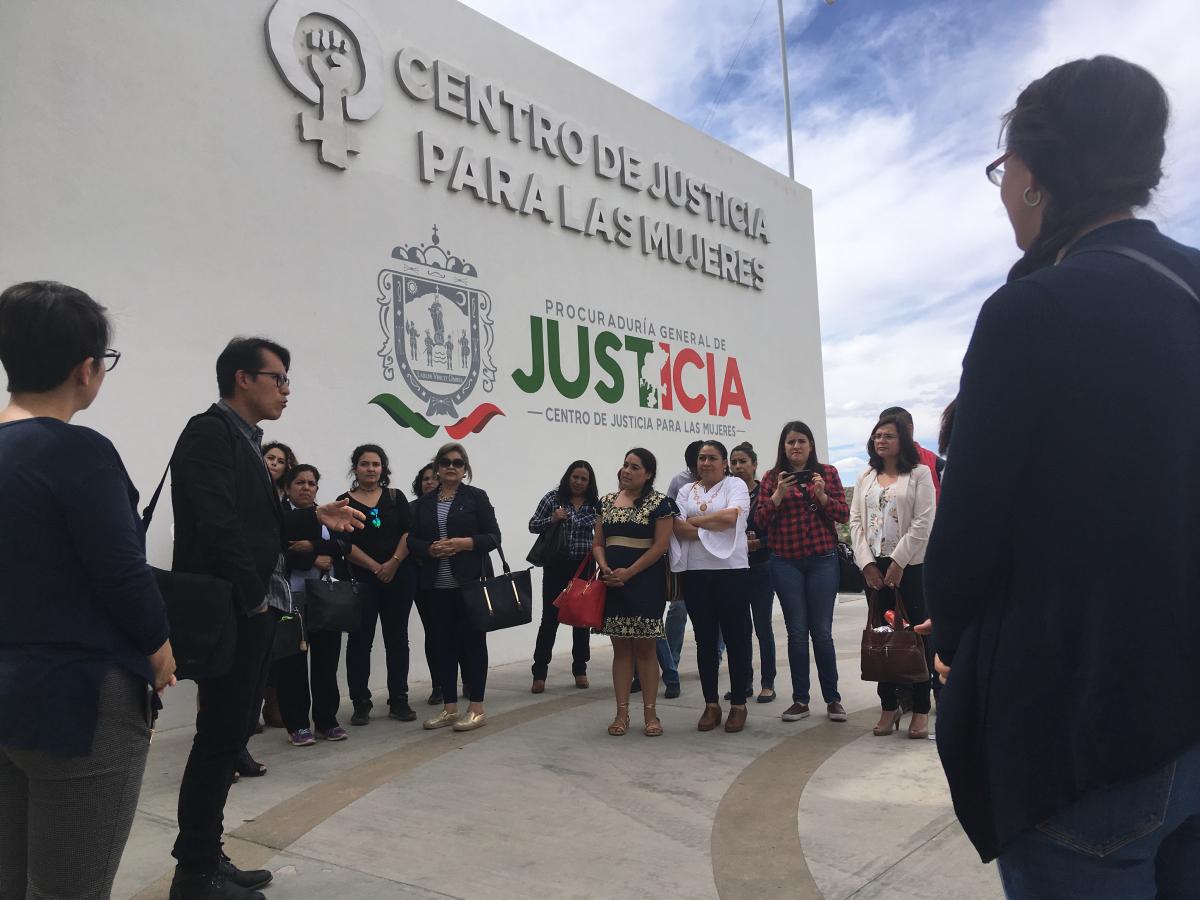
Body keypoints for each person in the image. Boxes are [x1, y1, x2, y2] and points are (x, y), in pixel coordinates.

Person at [925, 56, 1200, 896]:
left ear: (1035, 177)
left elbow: (966, 540)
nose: (1003, 188)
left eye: (1003, 169)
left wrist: (945, 640)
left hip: (1085, 730)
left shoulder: (1031, 311)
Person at [168, 336, 362, 900]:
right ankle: (195, 872)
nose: (286, 389)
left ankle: (205, 854)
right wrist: (253, 596)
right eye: (278, 378)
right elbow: (216, 522)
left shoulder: (246, 440)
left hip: (254, 608)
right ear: (243, 379)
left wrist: (307, 513)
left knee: (228, 736)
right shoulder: (209, 432)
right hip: (236, 608)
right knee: (218, 738)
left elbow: (255, 519)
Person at [0, 281, 176, 900]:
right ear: (87, 369)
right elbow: (122, 570)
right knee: (70, 886)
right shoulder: (78, 451)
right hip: (77, 700)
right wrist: (159, 651)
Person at [755, 420, 850, 724]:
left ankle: (833, 699)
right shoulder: (772, 478)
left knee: (822, 633)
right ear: (783, 447)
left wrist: (821, 496)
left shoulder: (829, 473)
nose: (796, 447)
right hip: (785, 562)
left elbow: (843, 514)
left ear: (810, 445)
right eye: (790, 442)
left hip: (823, 559)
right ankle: (800, 700)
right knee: (797, 633)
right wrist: (778, 494)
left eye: (801, 441)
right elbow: (760, 520)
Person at [849, 415, 936, 739]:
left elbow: (924, 522)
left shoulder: (919, 474)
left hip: (910, 568)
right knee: (882, 635)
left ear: (903, 441)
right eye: (876, 435)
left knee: (915, 636)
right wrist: (867, 564)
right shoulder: (866, 476)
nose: (880, 440)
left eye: (888, 435)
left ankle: (921, 708)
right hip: (873, 570)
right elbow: (855, 521)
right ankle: (889, 705)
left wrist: (898, 562)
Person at [409, 442, 501, 732]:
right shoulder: (424, 503)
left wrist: (464, 543)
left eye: (457, 463)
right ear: (437, 466)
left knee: (473, 644)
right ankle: (449, 708)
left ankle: (476, 708)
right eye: (446, 461)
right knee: (442, 645)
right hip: (435, 586)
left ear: (465, 469)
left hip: (469, 584)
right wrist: (429, 549)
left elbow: (493, 537)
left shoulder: (476, 498)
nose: (451, 466)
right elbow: (411, 541)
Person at [593, 448, 677, 737]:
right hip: (613, 584)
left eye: (635, 467)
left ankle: (651, 715)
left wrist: (630, 572)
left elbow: (660, 547)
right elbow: (598, 543)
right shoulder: (605, 502)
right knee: (620, 651)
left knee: (645, 649)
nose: (627, 470)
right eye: (625, 465)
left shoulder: (660, 504)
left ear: (648, 474)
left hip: (645, 583)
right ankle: (621, 714)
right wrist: (605, 568)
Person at [670, 441, 752, 733]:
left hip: (731, 571)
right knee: (704, 641)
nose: (705, 463)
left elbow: (732, 518)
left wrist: (696, 522)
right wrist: (711, 525)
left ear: (724, 462)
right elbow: (676, 527)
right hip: (696, 573)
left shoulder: (735, 486)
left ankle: (739, 704)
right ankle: (711, 704)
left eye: (712, 458)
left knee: (736, 638)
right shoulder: (685, 491)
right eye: (702, 458)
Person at [338, 444, 415, 725]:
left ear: (383, 468)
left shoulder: (396, 497)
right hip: (361, 582)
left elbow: (409, 532)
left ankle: (399, 700)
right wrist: (374, 567)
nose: (370, 469)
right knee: (359, 642)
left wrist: (392, 563)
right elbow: (344, 544)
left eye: (375, 464)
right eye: (364, 464)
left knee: (397, 639)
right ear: (355, 468)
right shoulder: (343, 503)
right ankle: (360, 702)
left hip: (398, 578)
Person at [277, 464, 349, 746]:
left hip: (325, 599)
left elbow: (345, 546)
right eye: (299, 483)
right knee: (292, 663)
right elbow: (276, 551)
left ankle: (326, 721)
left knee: (326, 662)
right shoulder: (279, 516)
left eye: (311, 483)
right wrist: (310, 558)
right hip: (290, 599)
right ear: (287, 488)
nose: (306, 487)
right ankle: (296, 724)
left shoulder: (328, 515)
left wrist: (313, 548)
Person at [528, 460, 600, 693]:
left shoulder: (594, 505)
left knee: (581, 620)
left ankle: (580, 669)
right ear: (568, 477)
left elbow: (601, 529)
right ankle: (539, 673)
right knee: (550, 619)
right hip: (556, 567)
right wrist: (553, 518)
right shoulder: (552, 499)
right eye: (575, 477)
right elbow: (533, 525)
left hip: (584, 567)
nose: (578, 482)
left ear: (589, 483)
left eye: (584, 479)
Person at [249, 442, 296, 736]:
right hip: (254, 579)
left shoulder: (288, 499)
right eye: (270, 457)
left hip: (283, 581)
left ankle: (272, 704)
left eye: (281, 460)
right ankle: (249, 712)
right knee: (251, 652)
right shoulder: (250, 491)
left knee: (278, 650)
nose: (275, 463)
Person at [730, 442, 776, 702]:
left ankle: (767, 682)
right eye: (733, 462)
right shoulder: (726, 493)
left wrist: (757, 543)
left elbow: (776, 530)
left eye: (742, 462)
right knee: (739, 629)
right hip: (735, 570)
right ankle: (743, 682)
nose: (737, 467)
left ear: (754, 465)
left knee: (762, 627)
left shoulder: (766, 494)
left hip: (761, 568)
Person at [409, 463, 443, 704]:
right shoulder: (411, 509)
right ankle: (439, 684)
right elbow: (408, 541)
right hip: (425, 581)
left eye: (433, 478)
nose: (429, 482)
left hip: (456, 579)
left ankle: (468, 681)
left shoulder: (455, 508)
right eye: (425, 479)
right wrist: (427, 549)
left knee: (461, 632)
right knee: (434, 633)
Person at [879, 407, 943, 501]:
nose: (882, 439)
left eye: (889, 434)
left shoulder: (937, 466)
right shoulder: (874, 469)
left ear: (909, 430)